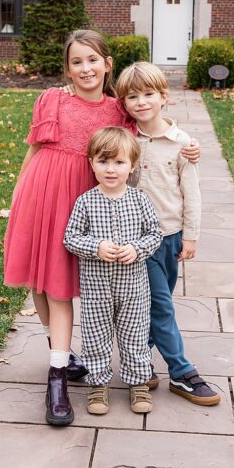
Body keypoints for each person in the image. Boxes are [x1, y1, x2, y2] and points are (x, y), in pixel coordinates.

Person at [2, 29, 198, 426]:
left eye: (93, 60)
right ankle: (62, 354)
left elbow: (152, 122)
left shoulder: (118, 112)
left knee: (66, 285)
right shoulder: (53, 100)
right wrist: (18, 198)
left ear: (108, 64)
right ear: (67, 68)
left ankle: (61, 371)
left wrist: (186, 144)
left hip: (89, 201)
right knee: (42, 282)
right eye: (76, 62)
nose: (85, 68)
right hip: (43, 195)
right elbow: (34, 150)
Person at [116, 61, 220, 406]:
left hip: (172, 237)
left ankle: (139, 362)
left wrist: (190, 237)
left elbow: (192, 193)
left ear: (164, 97)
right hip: (139, 242)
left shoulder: (183, 144)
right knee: (161, 307)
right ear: (124, 102)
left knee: (156, 305)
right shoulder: (125, 140)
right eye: (132, 97)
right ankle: (182, 373)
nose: (141, 102)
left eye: (148, 94)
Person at [63, 127, 162, 415]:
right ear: (91, 163)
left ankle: (138, 382)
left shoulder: (140, 200)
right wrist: (95, 247)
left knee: (135, 337)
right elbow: (71, 237)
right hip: (96, 289)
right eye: (103, 161)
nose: (110, 169)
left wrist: (137, 249)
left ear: (132, 166)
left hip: (133, 288)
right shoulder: (85, 201)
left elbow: (154, 234)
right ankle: (98, 384)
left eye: (118, 162)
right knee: (95, 337)